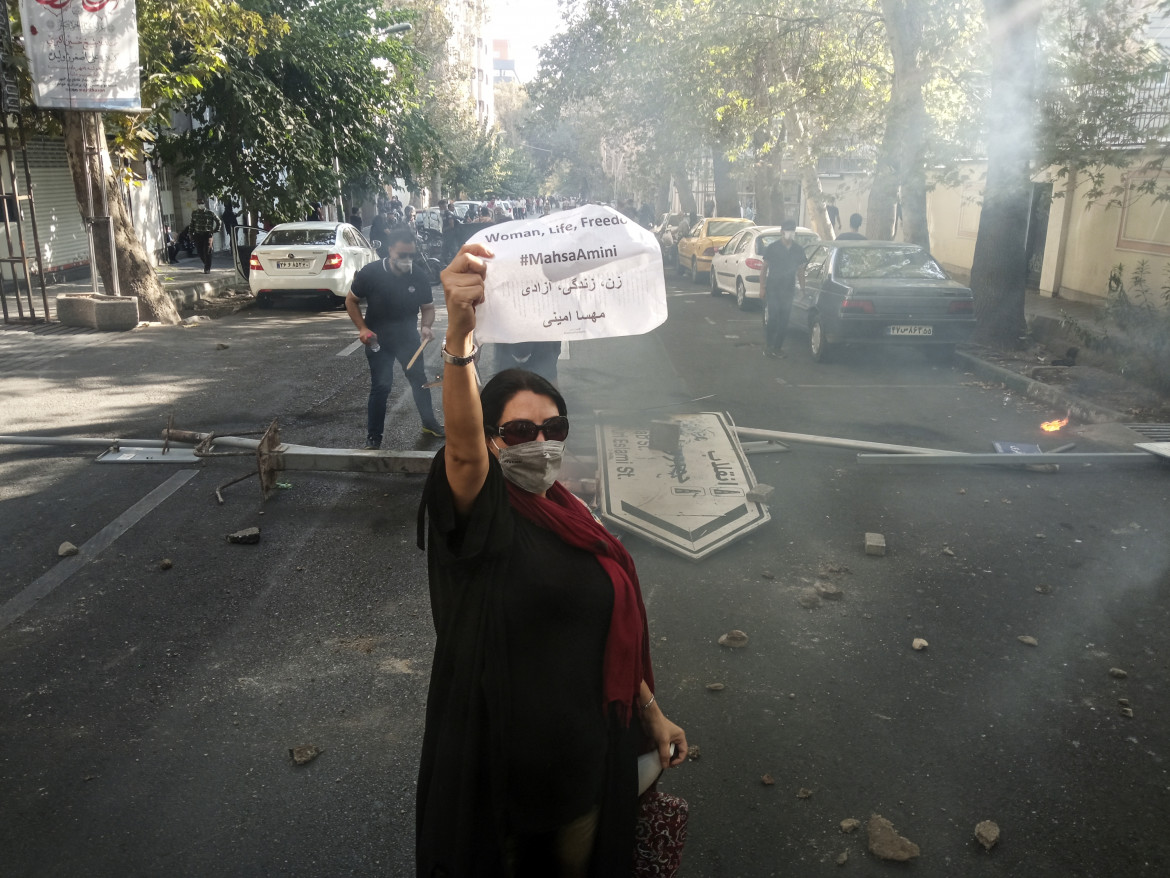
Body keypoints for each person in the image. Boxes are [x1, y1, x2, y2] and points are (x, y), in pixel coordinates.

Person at [416, 241, 688, 876]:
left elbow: (598, 633)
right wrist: (459, 339)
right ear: (490, 437)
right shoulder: (478, 508)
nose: (538, 443)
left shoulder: (570, 511)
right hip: (496, 776)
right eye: (518, 432)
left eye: (553, 430)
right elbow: (459, 453)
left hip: (582, 775)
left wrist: (651, 713)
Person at [345, 228, 444, 447]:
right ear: (390, 251)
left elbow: (427, 307)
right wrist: (362, 328)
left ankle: (429, 423)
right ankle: (374, 436)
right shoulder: (370, 273)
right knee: (381, 386)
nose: (408, 260)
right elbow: (351, 300)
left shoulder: (418, 275)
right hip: (377, 340)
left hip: (408, 338)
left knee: (419, 380)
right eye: (402, 255)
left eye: (411, 255)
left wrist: (426, 326)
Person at [759, 217, 808, 358]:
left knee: (784, 320)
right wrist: (762, 287)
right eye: (788, 230)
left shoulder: (798, 250)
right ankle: (769, 346)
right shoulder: (772, 248)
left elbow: (801, 271)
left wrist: (802, 290)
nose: (790, 233)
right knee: (773, 317)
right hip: (773, 288)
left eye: (792, 230)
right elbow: (764, 269)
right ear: (782, 232)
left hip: (788, 289)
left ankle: (778, 347)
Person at [187, 199, 222, 273]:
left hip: (207, 234)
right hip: (198, 234)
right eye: (199, 203)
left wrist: (215, 230)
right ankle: (206, 263)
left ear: (204, 204)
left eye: (202, 203)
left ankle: (207, 268)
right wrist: (190, 233)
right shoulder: (195, 213)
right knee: (200, 252)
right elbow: (192, 224)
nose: (200, 205)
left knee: (207, 251)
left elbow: (218, 221)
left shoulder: (210, 213)